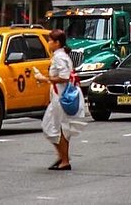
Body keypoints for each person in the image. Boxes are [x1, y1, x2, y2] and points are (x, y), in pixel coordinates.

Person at [35, 28, 86, 171]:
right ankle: (62, 157)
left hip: (61, 97)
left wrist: (44, 79)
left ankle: (64, 159)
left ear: (57, 43)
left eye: (50, 40)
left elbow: (63, 77)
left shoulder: (59, 57)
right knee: (58, 127)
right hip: (60, 96)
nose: (48, 43)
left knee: (56, 127)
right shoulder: (61, 55)